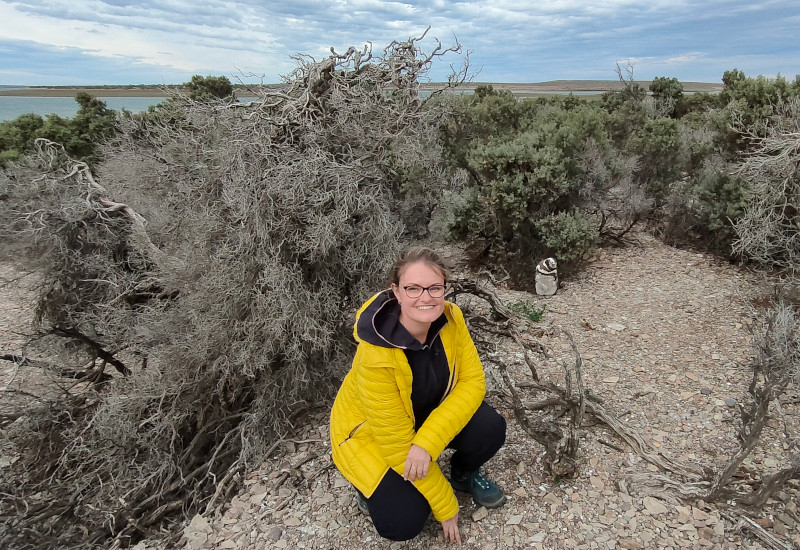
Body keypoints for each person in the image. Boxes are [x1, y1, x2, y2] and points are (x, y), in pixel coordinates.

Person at [330, 246, 507, 544]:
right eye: (413, 288)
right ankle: (367, 489)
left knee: (490, 427)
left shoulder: (452, 319)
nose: (425, 297)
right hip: (372, 435)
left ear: (445, 290)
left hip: (421, 418)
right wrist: (446, 506)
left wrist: (425, 444)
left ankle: (463, 475)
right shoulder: (375, 353)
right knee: (402, 523)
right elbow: (397, 446)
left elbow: (473, 382)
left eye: (434, 287)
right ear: (396, 292)